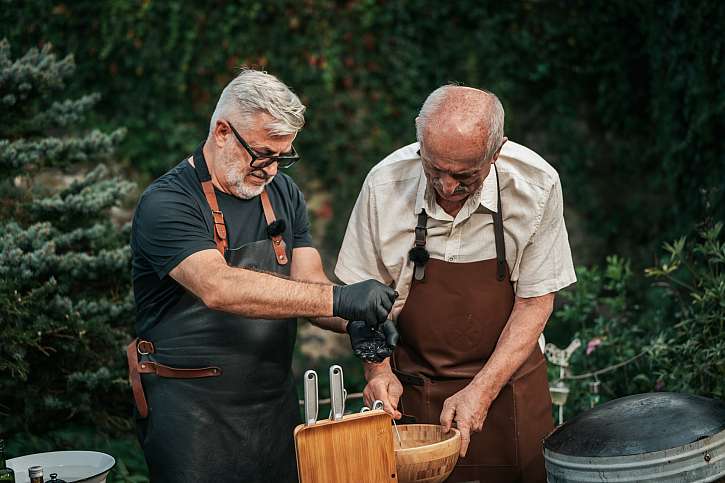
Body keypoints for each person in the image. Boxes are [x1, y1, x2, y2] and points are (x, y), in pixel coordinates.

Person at [128, 68, 396, 483]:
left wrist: (357, 323)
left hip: (272, 406)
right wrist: (340, 300)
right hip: (190, 414)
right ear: (221, 132)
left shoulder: (283, 194)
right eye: (262, 153)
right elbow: (219, 287)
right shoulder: (166, 202)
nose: (271, 169)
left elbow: (311, 286)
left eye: (282, 156)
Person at [337, 85, 576, 482]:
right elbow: (360, 301)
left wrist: (481, 391)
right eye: (434, 170)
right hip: (416, 392)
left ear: (495, 152)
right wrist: (378, 372)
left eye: (465, 176)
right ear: (419, 141)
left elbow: (535, 302)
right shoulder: (384, 185)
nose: (447, 188)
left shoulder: (536, 187)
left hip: (510, 391)